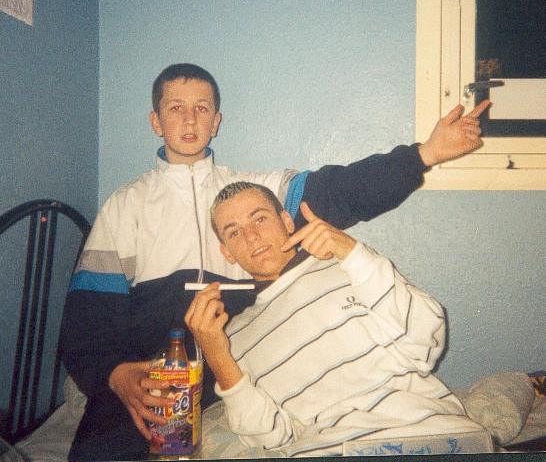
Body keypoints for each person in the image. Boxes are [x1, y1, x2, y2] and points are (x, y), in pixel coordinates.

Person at [60, 63, 489, 460]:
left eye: (201, 108)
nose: (189, 120)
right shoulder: (124, 206)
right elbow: (86, 317)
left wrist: (425, 154)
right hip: (157, 366)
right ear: (156, 121)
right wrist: (115, 374)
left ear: (216, 121)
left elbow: (341, 189)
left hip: (236, 356)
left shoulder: (251, 192)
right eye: (176, 108)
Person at [185, 182, 490, 457]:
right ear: (227, 252)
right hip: (327, 451)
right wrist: (216, 355)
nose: (251, 236)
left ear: (287, 222)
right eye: (234, 232)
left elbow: (426, 340)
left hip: (427, 437)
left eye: (260, 218)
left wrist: (352, 250)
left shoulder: (350, 266)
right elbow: (273, 436)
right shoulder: (233, 336)